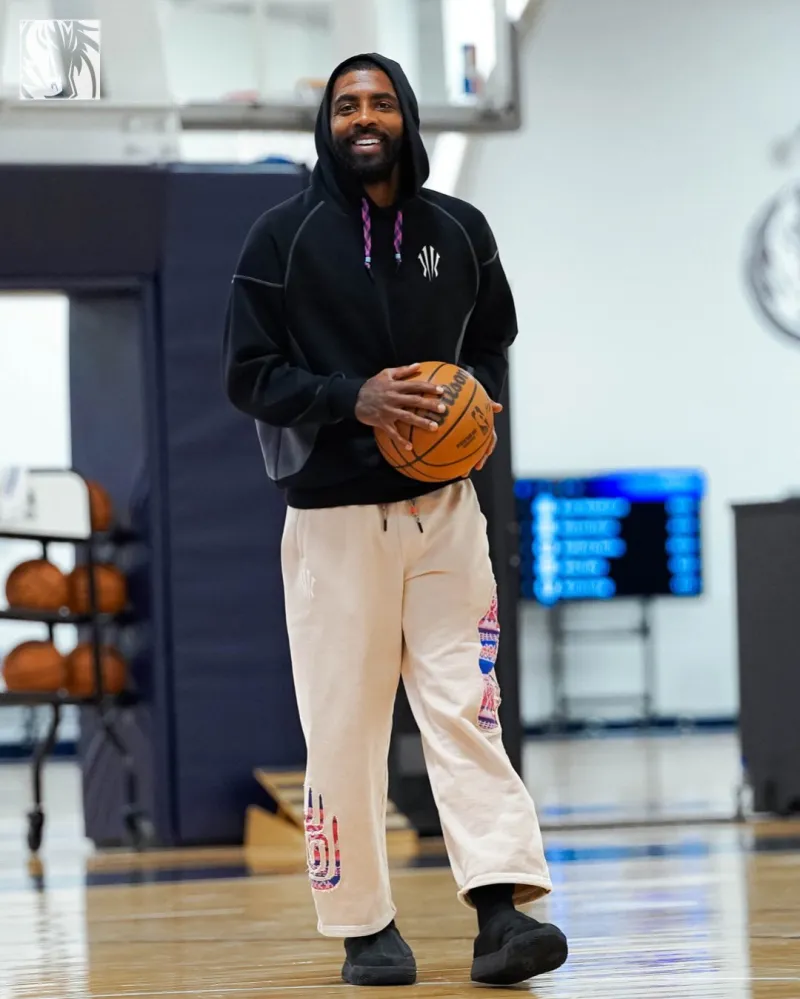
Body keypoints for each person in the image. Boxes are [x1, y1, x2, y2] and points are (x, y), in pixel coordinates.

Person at [222, 52, 568, 988]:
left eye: (379, 102)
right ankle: (365, 930)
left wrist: (477, 403)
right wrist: (354, 397)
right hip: (334, 525)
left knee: (468, 709)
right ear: (327, 123)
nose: (363, 117)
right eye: (346, 105)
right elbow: (247, 375)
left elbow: (491, 343)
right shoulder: (279, 238)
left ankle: (503, 911)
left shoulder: (461, 229)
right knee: (344, 730)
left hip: (446, 515)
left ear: (408, 117)